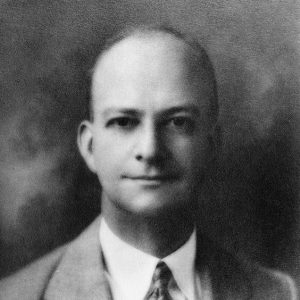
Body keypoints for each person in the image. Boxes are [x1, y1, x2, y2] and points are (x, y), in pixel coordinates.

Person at [0, 25, 297, 300]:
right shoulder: (16, 295)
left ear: (212, 145)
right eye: (124, 122)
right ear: (90, 147)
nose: (150, 150)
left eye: (178, 122)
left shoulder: (279, 293)